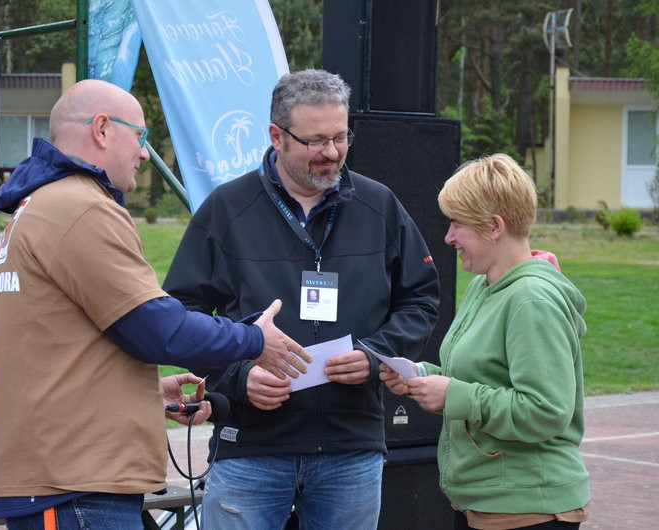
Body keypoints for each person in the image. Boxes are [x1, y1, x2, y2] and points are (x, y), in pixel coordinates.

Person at [0, 78, 312, 529]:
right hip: (75, 482)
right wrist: (254, 338)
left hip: (60, 473)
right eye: (140, 137)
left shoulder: (39, 205)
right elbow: (159, 330)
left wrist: (139, 395)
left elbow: (58, 341)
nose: (144, 153)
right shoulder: (81, 207)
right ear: (102, 129)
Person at [163, 69, 440, 529]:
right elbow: (182, 314)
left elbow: (420, 300)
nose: (332, 153)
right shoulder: (227, 210)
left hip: (351, 451)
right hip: (251, 447)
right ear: (277, 136)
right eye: (315, 141)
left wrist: (374, 356)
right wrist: (236, 375)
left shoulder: (381, 206)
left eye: (340, 137)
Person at [380, 154, 590, 529]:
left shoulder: (531, 300)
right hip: (486, 506)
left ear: (494, 227)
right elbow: (482, 377)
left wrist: (454, 395)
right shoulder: (483, 285)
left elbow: (546, 410)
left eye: (457, 224)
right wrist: (422, 377)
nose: (448, 237)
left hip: (528, 510)